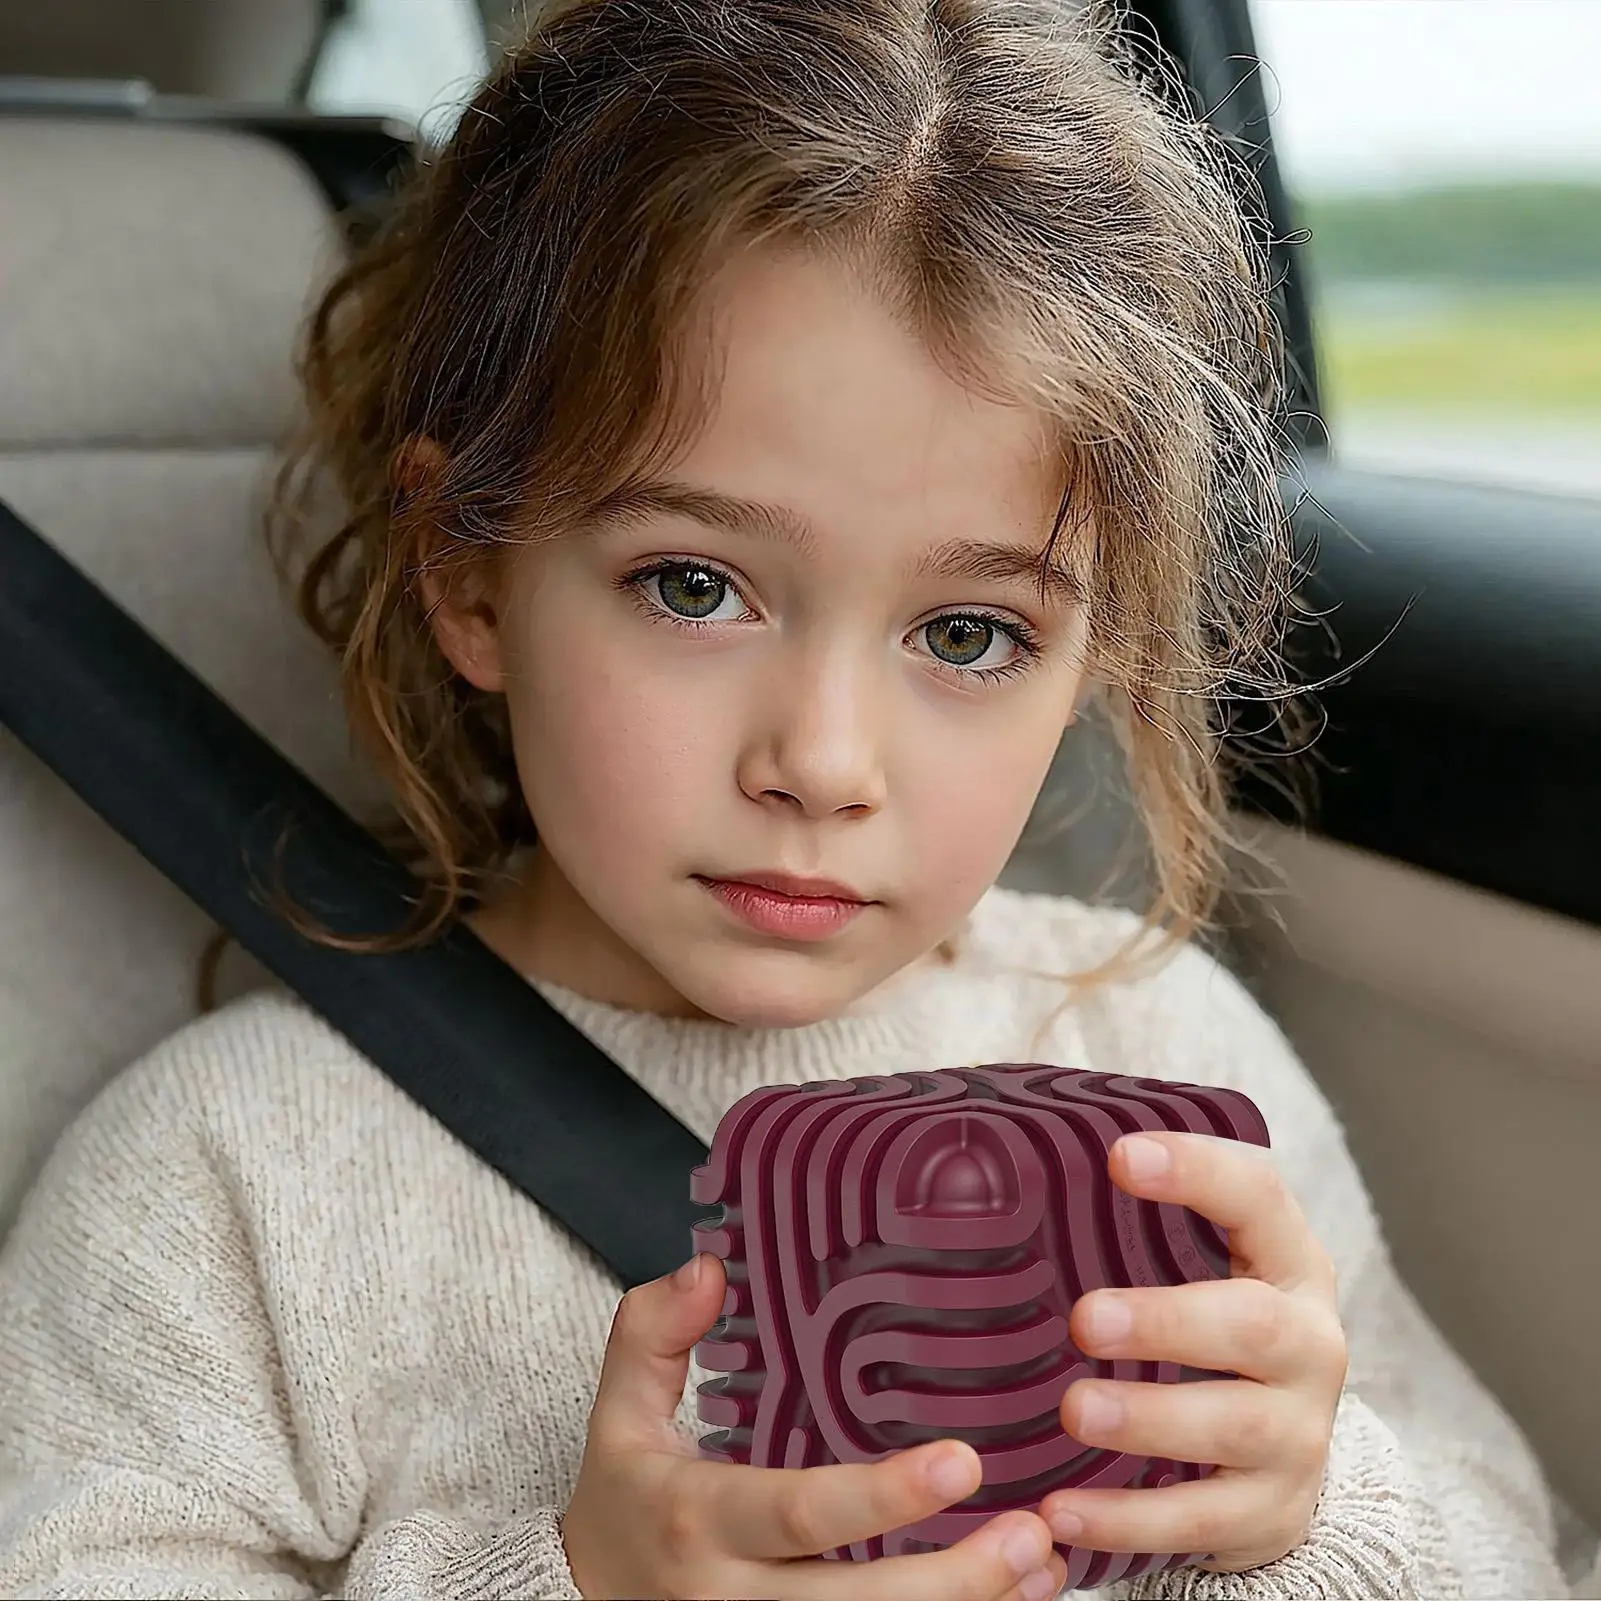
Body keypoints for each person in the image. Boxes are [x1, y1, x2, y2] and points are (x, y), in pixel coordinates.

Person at [0, 1, 1572, 1597]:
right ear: (468, 576)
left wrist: (1317, 1504)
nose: (822, 762)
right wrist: (569, 1581)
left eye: (970, 634)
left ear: (1100, 654)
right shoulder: (222, 1183)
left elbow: (1520, 1554)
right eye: (693, 587)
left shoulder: (1159, 1064)